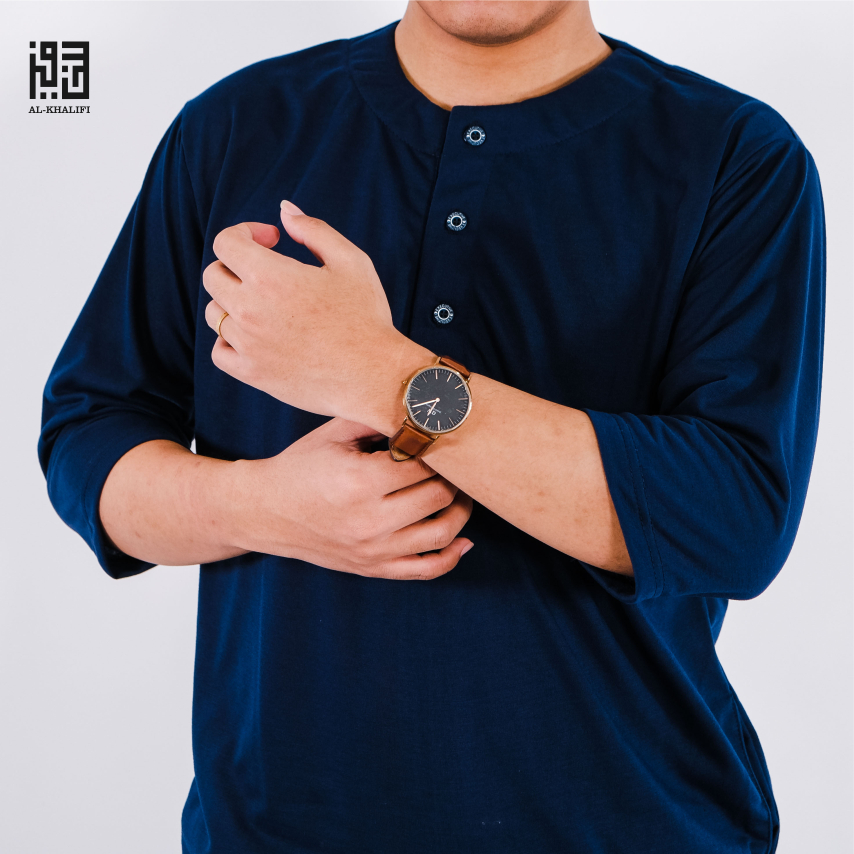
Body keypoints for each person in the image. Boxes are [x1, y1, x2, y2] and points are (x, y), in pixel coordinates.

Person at [38, 1, 825, 851]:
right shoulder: (235, 126)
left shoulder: (737, 156)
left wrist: (382, 374)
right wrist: (263, 506)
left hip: (631, 827)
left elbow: (734, 521)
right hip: (278, 830)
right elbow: (89, 436)